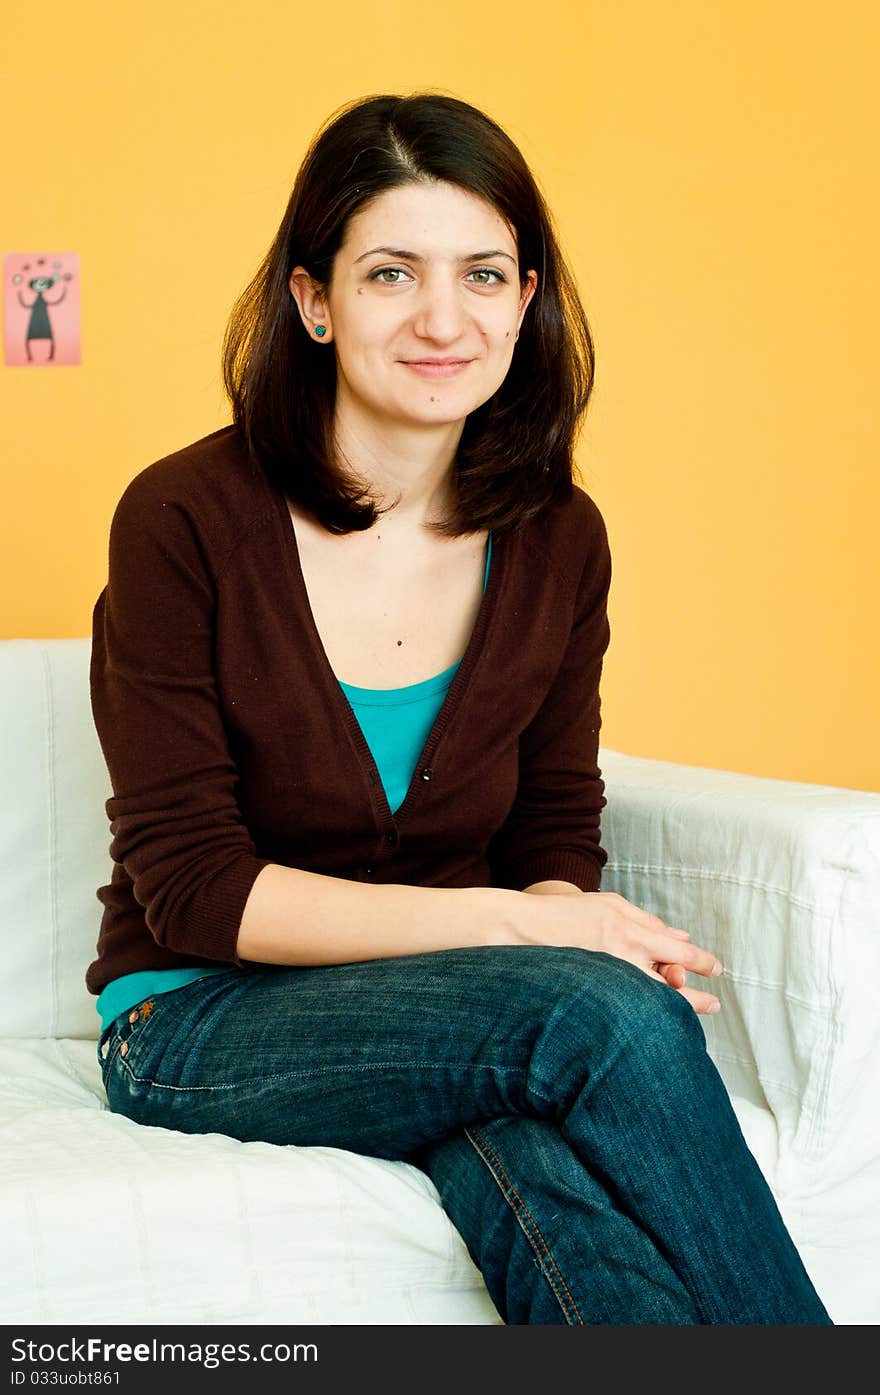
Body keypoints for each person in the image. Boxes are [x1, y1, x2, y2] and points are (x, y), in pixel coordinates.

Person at [87, 91, 832, 1326]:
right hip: (193, 1016)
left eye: (483, 274)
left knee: (549, 1187)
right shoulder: (184, 519)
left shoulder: (555, 536)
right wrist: (534, 937)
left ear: (526, 299)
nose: (445, 319)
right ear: (313, 300)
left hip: (440, 1014)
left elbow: (552, 826)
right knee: (597, 1015)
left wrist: (554, 908)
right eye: (391, 274)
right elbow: (197, 892)